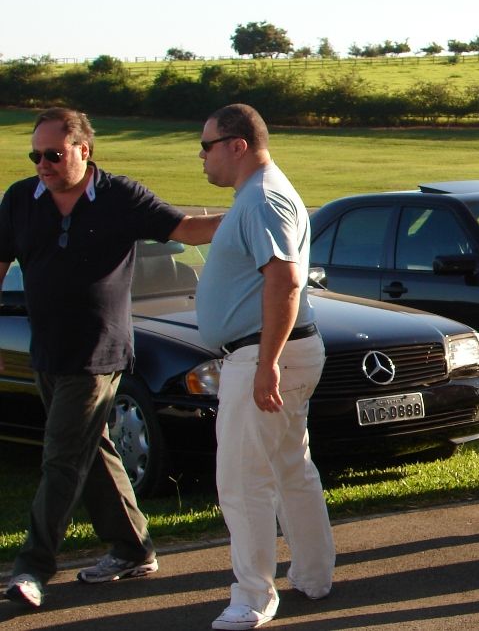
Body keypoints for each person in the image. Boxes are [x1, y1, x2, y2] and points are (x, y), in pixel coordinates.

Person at [0, 107, 222, 609]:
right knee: (92, 451)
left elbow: (185, 228)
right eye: (35, 155)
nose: (42, 164)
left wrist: (251, 213)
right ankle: (132, 548)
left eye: (53, 154)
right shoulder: (19, 200)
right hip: (47, 352)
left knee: (60, 457)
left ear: (83, 149)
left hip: (98, 352)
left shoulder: (119, 196)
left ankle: (31, 568)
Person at [195, 103, 335, 630]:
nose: (202, 158)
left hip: (263, 352)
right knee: (289, 468)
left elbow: (285, 280)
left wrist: (266, 364)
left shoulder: (261, 198)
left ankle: (253, 597)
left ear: (236, 144)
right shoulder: (258, 196)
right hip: (277, 350)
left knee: (242, 479)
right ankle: (314, 575)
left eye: (206, 146)